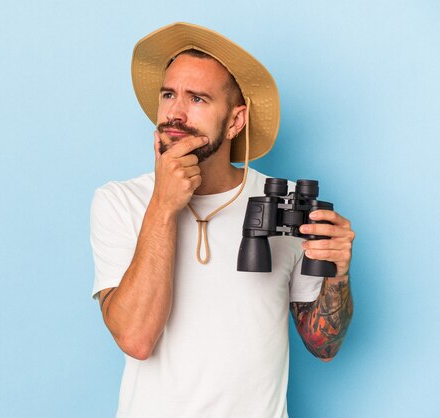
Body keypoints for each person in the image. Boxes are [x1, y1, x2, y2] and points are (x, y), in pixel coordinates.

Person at [90, 22, 354, 418]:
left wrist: (338, 275)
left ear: (235, 121)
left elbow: (324, 347)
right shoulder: (120, 201)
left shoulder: (280, 205)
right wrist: (163, 205)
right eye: (168, 94)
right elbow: (136, 339)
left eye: (197, 99)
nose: (174, 113)